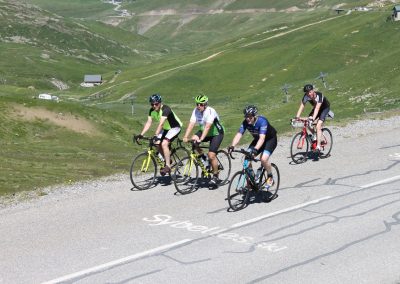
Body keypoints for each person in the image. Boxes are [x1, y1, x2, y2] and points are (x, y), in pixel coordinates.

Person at [228, 105, 277, 188]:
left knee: (263, 159)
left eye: (250, 117)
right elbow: (239, 134)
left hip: (270, 140)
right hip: (258, 140)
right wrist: (232, 146)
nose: (248, 119)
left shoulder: (262, 121)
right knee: (247, 160)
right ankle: (253, 180)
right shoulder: (245, 122)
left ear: (255, 116)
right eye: (246, 116)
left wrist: (255, 149)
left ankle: (270, 176)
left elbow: (262, 138)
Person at [135, 94, 182, 176]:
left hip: (175, 128)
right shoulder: (151, 111)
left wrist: (156, 135)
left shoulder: (165, 109)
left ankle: (167, 166)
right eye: (152, 104)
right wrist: (141, 134)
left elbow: (161, 123)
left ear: (160, 103)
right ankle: (167, 159)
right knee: (156, 144)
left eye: (156, 104)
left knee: (164, 144)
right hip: (166, 129)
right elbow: (149, 123)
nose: (154, 106)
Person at [182, 94, 224, 185]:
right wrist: (185, 136)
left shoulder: (210, 111)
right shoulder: (195, 111)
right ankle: (204, 159)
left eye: (201, 104)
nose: (198, 106)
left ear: (205, 104)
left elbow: (208, 127)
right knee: (193, 141)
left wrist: (201, 139)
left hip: (216, 133)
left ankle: (216, 175)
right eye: (197, 104)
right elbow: (191, 124)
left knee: (211, 155)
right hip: (204, 131)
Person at [295, 84, 331, 152]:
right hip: (315, 109)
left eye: (310, 92)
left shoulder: (319, 95)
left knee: (318, 126)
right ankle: (315, 134)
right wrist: (297, 117)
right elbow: (302, 106)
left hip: (324, 109)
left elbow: (317, 108)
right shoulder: (306, 96)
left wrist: (312, 118)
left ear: (313, 91)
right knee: (308, 123)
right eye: (307, 93)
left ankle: (318, 146)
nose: (308, 94)